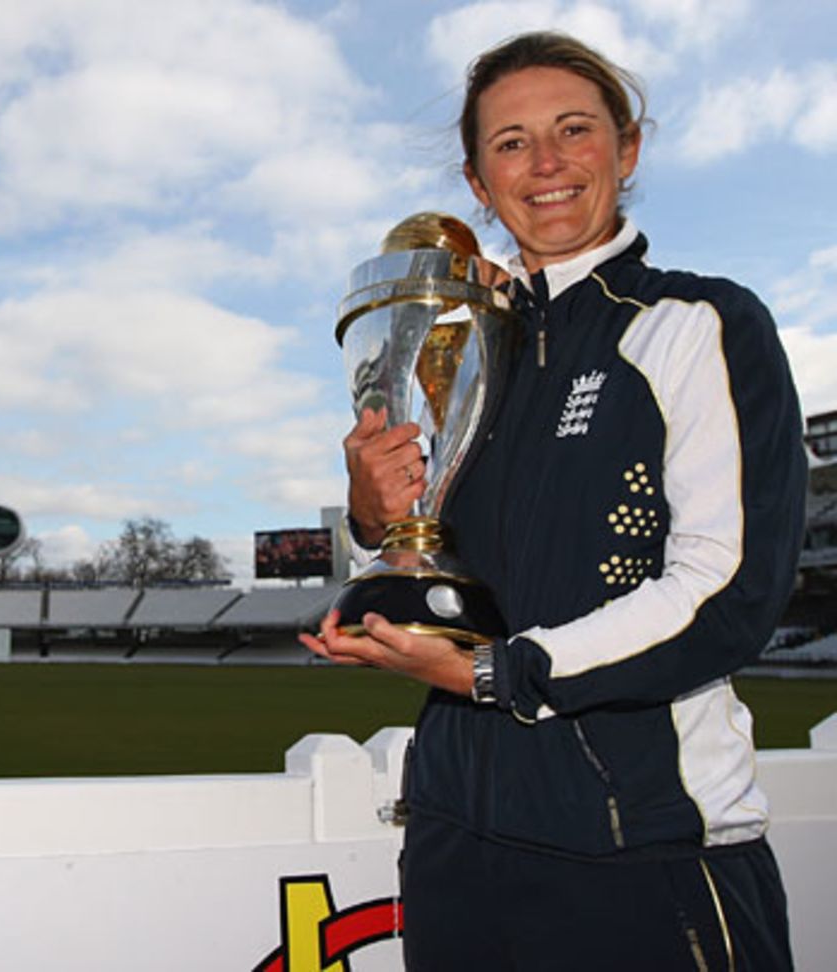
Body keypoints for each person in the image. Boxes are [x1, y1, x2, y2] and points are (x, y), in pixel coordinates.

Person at [301, 30, 805, 971]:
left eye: (574, 129)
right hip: (455, 841)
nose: (545, 163)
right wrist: (373, 515)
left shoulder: (697, 324)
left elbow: (726, 591)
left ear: (628, 147)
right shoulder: (464, 352)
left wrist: (499, 673)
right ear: (478, 181)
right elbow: (441, 567)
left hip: (639, 848)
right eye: (511, 142)